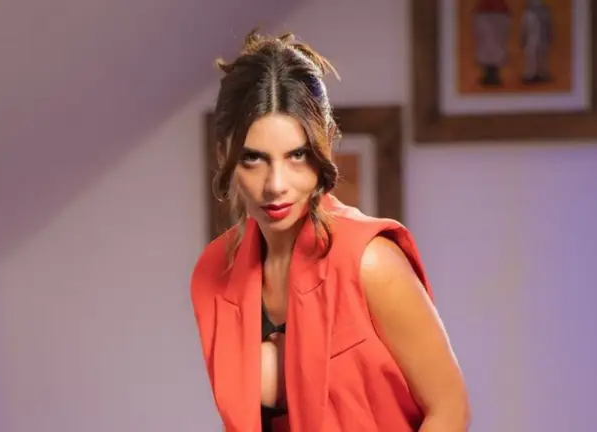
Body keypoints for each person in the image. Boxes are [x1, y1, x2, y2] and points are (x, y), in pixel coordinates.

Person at [190, 29, 470, 432]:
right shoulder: (213, 272)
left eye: (297, 155)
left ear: (324, 147)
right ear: (224, 155)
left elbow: (449, 409)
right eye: (253, 158)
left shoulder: (371, 263)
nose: (276, 185)